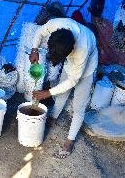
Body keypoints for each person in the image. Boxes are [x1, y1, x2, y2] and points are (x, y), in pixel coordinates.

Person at [29, 18, 98, 159]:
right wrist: (34, 49)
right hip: (71, 61)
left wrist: (47, 93)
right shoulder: (58, 25)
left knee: (79, 105)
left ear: (71, 50)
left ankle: (70, 141)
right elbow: (40, 32)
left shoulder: (82, 49)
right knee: (61, 93)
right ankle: (53, 117)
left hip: (88, 65)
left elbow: (73, 80)